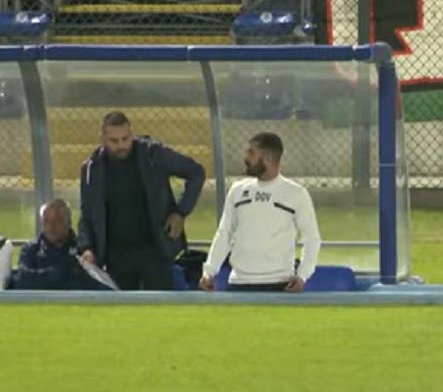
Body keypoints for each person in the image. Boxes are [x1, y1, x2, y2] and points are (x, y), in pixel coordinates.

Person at [78, 111, 206, 290]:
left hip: (155, 249)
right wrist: (87, 247)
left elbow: (196, 172)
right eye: (114, 141)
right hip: (116, 255)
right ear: (102, 139)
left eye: (125, 139)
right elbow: (87, 212)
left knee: (159, 303)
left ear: (132, 134)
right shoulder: (92, 169)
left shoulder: (152, 154)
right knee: (122, 305)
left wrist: (180, 212)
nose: (121, 145)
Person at [199, 133, 321, 292]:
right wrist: (208, 272)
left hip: (280, 284)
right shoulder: (237, 190)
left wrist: (302, 275)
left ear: (268, 159)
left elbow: (311, 239)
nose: (245, 158)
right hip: (239, 283)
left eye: (251, 153)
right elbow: (224, 234)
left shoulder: (296, 194)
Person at [8, 199, 109, 291]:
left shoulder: (83, 250)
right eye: (47, 221)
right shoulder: (31, 249)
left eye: (58, 221)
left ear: (69, 223)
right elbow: (22, 280)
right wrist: (63, 272)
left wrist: (43, 279)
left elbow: (92, 284)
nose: (51, 226)